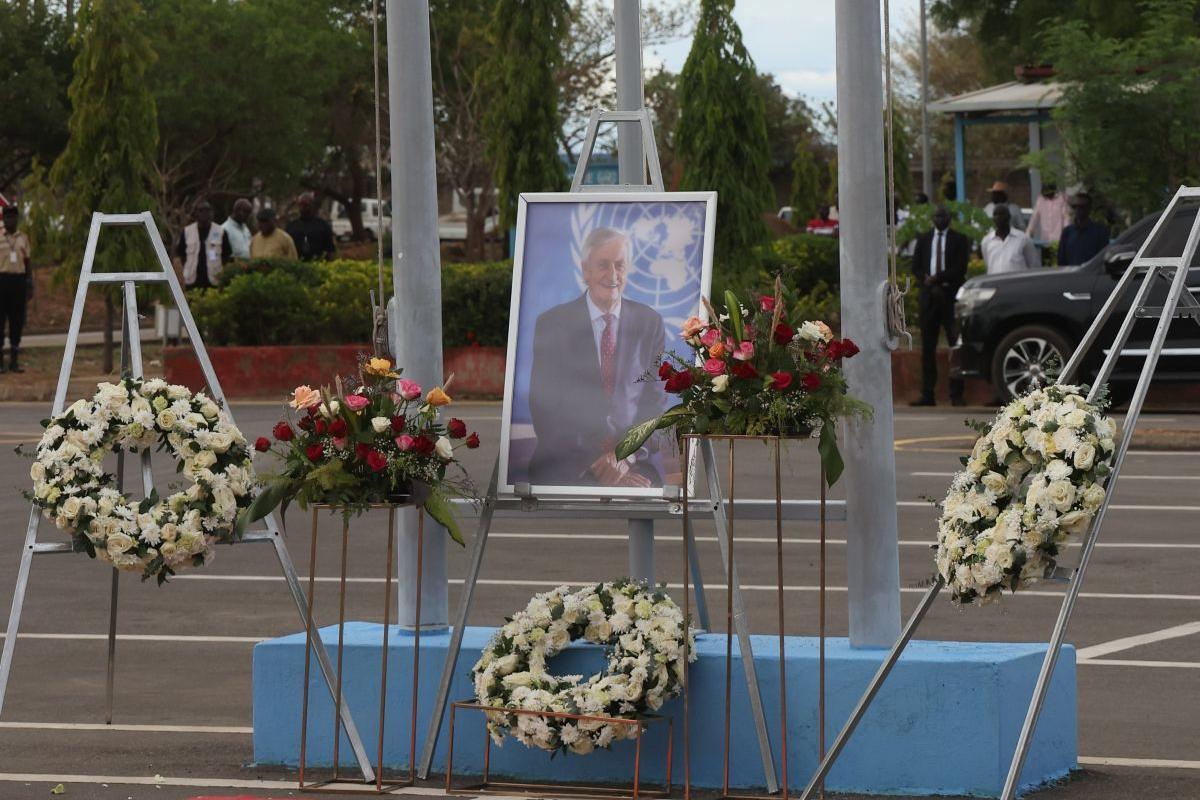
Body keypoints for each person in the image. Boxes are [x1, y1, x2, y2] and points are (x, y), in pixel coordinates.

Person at [527, 227, 666, 488]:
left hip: (634, 461)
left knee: (654, 497)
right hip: (567, 463)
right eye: (603, 265)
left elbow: (654, 406)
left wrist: (624, 457)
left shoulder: (650, 323)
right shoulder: (552, 324)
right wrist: (600, 468)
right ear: (585, 270)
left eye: (620, 265)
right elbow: (544, 407)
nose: (612, 275)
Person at [910, 206, 968, 407]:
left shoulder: (959, 240)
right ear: (932, 218)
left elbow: (960, 268)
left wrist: (939, 279)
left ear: (949, 218)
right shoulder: (924, 239)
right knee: (927, 347)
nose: (940, 219)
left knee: (955, 345)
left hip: (950, 297)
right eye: (936, 216)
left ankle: (957, 394)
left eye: (943, 216)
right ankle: (927, 394)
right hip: (929, 299)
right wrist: (926, 280)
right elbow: (915, 266)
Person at [0, 205, 32, 373]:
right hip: (1, 281)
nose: (9, 221)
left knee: (17, 322)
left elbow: (28, 263)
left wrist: (30, 283)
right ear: (3, 220)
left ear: (17, 220)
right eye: (7, 218)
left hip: (18, 282)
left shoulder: (23, 238)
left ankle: (14, 361)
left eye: (12, 218)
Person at [176, 200, 232, 289]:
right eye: (201, 210)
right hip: (192, 280)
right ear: (196, 213)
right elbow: (182, 254)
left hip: (213, 280)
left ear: (211, 213)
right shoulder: (187, 231)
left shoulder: (220, 232)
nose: (204, 213)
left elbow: (226, 255)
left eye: (207, 210)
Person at [981, 204, 1039, 275]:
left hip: (1017, 283)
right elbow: (988, 264)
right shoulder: (986, 241)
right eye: (995, 214)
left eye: (1002, 214)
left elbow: (1033, 264)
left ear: (1009, 217)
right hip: (995, 283)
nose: (998, 217)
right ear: (993, 219)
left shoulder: (1023, 239)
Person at [1058, 193, 1110, 266]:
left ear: (1089, 208)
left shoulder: (1100, 232)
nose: (1078, 209)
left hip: (1091, 275)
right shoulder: (1067, 232)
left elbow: (1103, 259)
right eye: (1075, 207)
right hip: (1071, 274)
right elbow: (1061, 260)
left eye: (1082, 207)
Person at [285, 192, 336, 261]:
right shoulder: (291, 226)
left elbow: (330, 250)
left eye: (306, 205)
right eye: (300, 204)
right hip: (296, 265)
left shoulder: (323, 225)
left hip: (318, 264)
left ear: (312, 205)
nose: (302, 207)